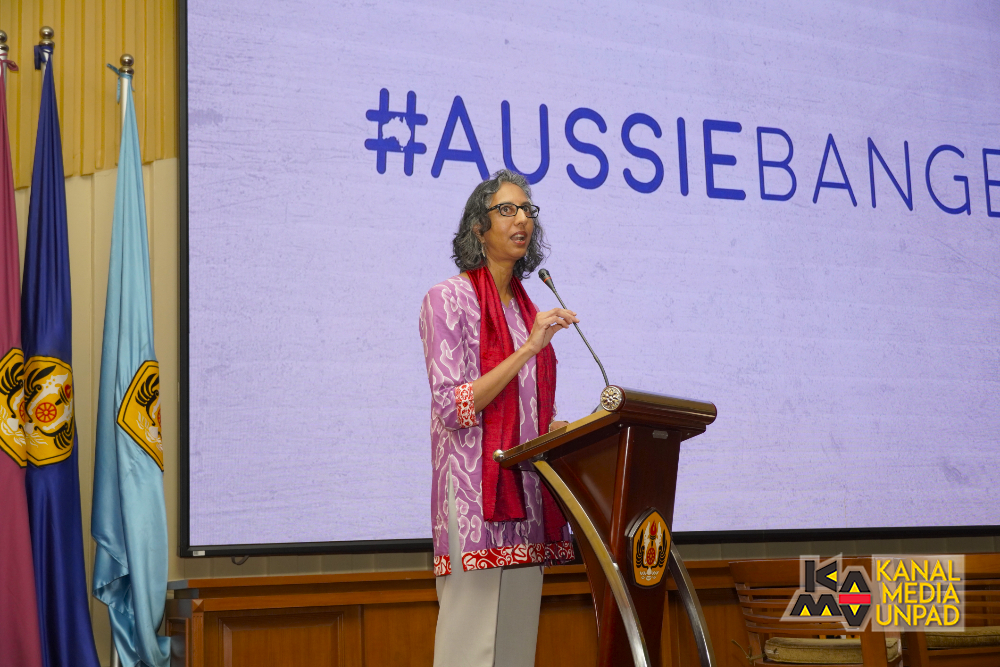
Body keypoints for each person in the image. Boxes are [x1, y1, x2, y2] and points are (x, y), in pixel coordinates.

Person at [419, 170, 579, 667]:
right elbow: (455, 407)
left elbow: (531, 413)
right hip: (475, 501)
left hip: (526, 497)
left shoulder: (526, 311)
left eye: (527, 210)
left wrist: (571, 431)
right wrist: (528, 348)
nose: (521, 219)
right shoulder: (447, 299)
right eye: (507, 210)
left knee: (514, 651)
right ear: (477, 227)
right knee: (471, 650)